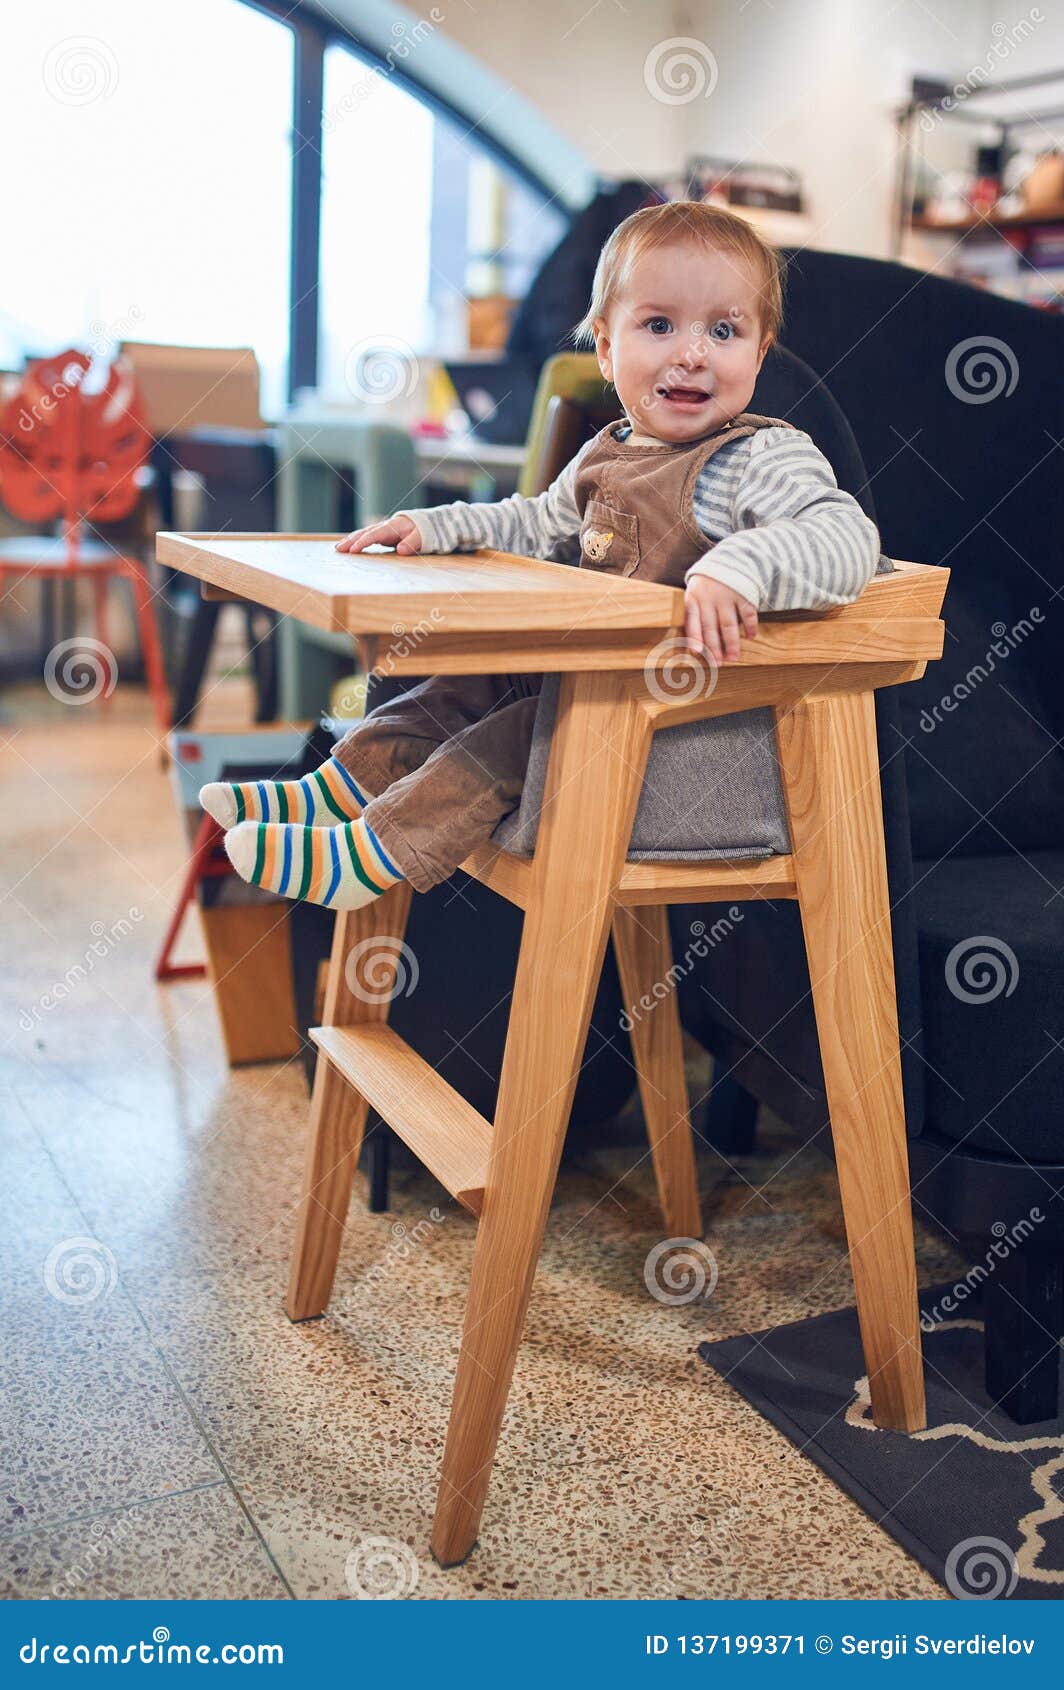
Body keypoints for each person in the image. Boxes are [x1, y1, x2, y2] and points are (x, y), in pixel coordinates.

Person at [201, 201, 882, 910]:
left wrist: (742, 565)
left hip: (694, 732)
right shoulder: (607, 451)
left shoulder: (758, 459)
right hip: (599, 692)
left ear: (760, 350)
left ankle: (376, 853)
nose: (693, 352)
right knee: (461, 686)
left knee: (516, 733)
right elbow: (536, 523)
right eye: (659, 325)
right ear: (606, 348)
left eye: (724, 330)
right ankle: (336, 790)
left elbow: (847, 537)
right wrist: (435, 526)